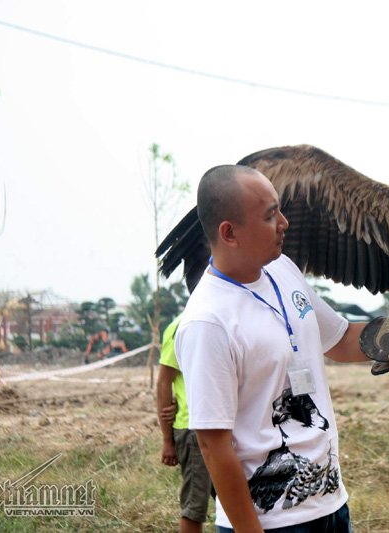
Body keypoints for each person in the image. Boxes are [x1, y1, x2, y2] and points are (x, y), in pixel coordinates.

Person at [175, 165, 369, 532]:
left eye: (280, 210)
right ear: (229, 233)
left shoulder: (284, 271)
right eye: (269, 216)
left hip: (330, 506)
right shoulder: (208, 322)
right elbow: (214, 447)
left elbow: (342, 340)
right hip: (271, 522)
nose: (285, 223)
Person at [157, 312, 215, 533]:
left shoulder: (225, 317)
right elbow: (164, 382)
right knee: (194, 508)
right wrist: (167, 440)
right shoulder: (182, 325)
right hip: (193, 429)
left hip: (225, 427)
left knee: (234, 503)